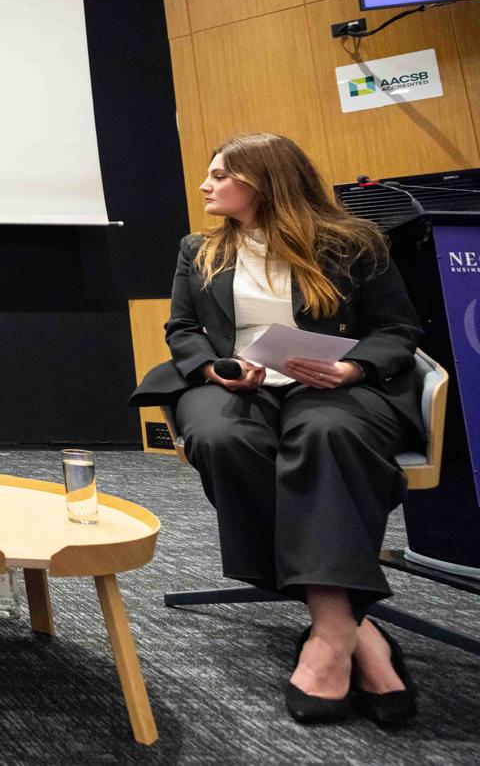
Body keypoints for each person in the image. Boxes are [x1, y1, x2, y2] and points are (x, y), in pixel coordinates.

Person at [133, 132, 423, 726]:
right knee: (221, 438)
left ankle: (327, 642)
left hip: (334, 387)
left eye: (219, 175)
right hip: (235, 386)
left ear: (261, 182)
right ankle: (349, 628)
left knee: (327, 437)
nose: (205, 185)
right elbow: (183, 329)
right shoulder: (199, 249)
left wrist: (352, 368)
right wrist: (217, 367)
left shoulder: (354, 243)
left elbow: (397, 328)